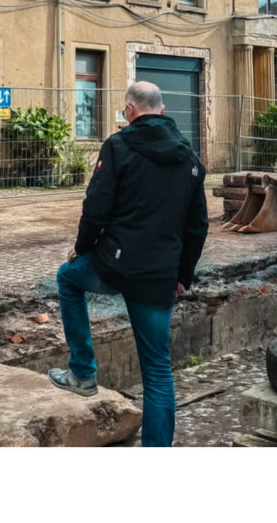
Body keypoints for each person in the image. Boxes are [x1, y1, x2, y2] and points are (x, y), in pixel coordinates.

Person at [48, 80, 208, 447]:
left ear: (130, 111)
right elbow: (197, 225)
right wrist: (183, 276)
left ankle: (83, 372)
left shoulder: (118, 147)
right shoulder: (190, 158)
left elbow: (96, 208)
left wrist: (81, 247)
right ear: (163, 111)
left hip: (113, 265)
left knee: (68, 279)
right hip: (159, 277)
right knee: (157, 371)